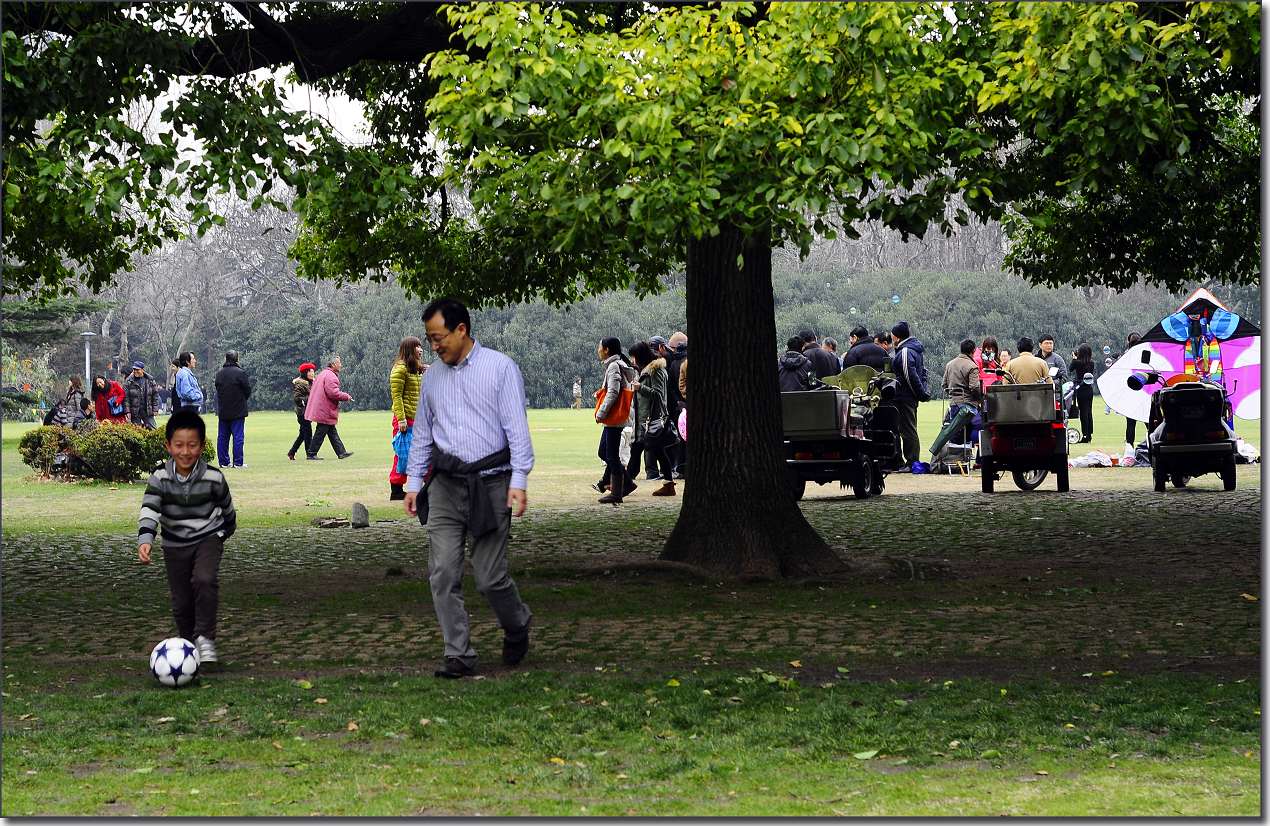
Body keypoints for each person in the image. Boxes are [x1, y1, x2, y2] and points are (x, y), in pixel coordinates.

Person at [403, 297, 534, 679]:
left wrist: (519, 482)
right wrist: (413, 483)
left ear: (462, 330)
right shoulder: (432, 378)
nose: (434, 345)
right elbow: (424, 434)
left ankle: (517, 623)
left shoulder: (500, 368)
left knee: (490, 576)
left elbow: (517, 431)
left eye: (439, 337)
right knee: (443, 571)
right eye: (429, 339)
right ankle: (458, 653)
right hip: (444, 484)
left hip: (493, 483)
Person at [137, 409, 236, 665]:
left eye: (192, 445)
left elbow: (227, 509)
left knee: (204, 580)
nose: (185, 452)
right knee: (181, 602)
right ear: (168, 446)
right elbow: (149, 509)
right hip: (173, 544)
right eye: (179, 445)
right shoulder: (159, 477)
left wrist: (222, 532)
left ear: (201, 446)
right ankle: (187, 645)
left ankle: (205, 639)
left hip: (208, 537)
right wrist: (145, 539)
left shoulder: (214, 477)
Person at [626, 341, 677, 497]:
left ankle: (625, 484)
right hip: (647, 419)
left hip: (654, 420)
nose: (633, 361)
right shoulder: (647, 371)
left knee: (639, 450)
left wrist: (640, 387)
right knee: (656, 451)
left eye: (634, 357)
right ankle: (668, 485)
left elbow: (658, 395)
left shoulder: (656, 371)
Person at [593, 336, 638, 504]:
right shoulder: (619, 364)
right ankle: (626, 483)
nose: (598, 350)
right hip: (619, 417)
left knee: (610, 454)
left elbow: (613, 392)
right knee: (604, 452)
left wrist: (601, 413)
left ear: (607, 350)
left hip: (615, 418)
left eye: (600, 347)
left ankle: (618, 492)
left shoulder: (613, 366)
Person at [389, 336, 426, 500]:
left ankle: (426, 487)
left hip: (417, 419)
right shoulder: (400, 369)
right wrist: (402, 420)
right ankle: (396, 490)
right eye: (417, 347)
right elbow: (396, 396)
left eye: (421, 346)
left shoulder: (414, 368)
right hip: (404, 419)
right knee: (403, 455)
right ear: (409, 349)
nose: (420, 349)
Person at [889, 321, 930, 469]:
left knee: (907, 429)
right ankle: (911, 460)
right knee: (908, 428)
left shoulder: (905, 351)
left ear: (897, 336)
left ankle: (912, 460)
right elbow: (923, 372)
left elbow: (909, 375)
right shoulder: (914, 349)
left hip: (905, 396)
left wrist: (919, 393)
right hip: (909, 396)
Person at [304, 356, 354, 460]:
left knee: (331, 431)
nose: (341, 365)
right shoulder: (331, 376)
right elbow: (333, 393)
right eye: (339, 363)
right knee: (321, 432)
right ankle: (311, 453)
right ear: (333, 365)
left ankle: (341, 452)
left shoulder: (324, 373)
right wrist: (346, 396)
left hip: (321, 407)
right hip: (324, 409)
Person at [213, 351, 252, 469]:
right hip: (238, 409)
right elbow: (247, 390)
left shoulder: (219, 373)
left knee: (222, 437)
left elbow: (218, 389)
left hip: (224, 409)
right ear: (236, 359)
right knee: (238, 436)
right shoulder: (240, 373)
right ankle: (238, 462)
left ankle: (224, 462)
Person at [943, 339, 984, 446]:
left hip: (953, 405)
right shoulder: (972, 366)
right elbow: (974, 387)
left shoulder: (949, 364)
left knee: (957, 433)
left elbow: (944, 385)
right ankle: (976, 449)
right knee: (980, 426)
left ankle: (956, 455)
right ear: (973, 351)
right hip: (968, 407)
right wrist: (980, 399)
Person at [287, 363, 316, 461]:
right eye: (311, 371)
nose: (313, 373)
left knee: (303, 434)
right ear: (305, 373)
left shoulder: (311, 382)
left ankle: (292, 452)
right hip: (302, 412)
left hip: (308, 411)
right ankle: (309, 454)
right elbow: (297, 398)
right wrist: (310, 399)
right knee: (308, 433)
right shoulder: (300, 383)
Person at [1069, 343, 1096, 443]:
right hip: (1089, 389)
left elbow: (1070, 369)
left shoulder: (1077, 362)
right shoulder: (1091, 363)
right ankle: (1089, 434)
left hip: (1080, 389)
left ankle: (1085, 435)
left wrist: (1074, 358)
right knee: (1089, 412)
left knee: (1083, 413)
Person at [124, 361, 161, 428]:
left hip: (147, 410)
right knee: (136, 432)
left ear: (142, 370)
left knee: (153, 429)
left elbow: (155, 395)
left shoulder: (150, 379)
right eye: (134, 369)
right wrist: (127, 411)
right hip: (135, 411)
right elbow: (126, 398)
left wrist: (155, 409)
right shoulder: (128, 381)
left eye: (137, 369)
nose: (135, 371)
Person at [1124, 331, 1143, 451]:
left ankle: (1129, 448)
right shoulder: (1145, 354)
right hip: (1144, 392)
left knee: (1130, 423)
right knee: (1148, 421)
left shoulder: (1127, 356)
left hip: (1131, 393)